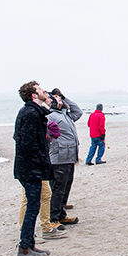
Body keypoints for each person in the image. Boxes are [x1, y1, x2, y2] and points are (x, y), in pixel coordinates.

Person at [13, 81, 54, 256]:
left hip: (30, 168)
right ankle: (24, 248)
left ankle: (29, 244)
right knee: (32, 207)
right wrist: (42, 162)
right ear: (33, 95)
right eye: (39, 89)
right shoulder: (30, 113)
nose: (44, 90)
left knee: (34, 206)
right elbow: (27, 143)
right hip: (30, 169)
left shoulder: (34, 112)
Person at [47, 88, 83, 227]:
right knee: (58, 189)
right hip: (59, 157)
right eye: (57, 98)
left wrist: (64, 97)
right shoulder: (50, 115)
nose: (60, 100)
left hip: (70, 156)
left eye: (60, 98)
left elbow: (78, 112)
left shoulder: (66, 115)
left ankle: (61, 215)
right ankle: (54, 218)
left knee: (66, 186)